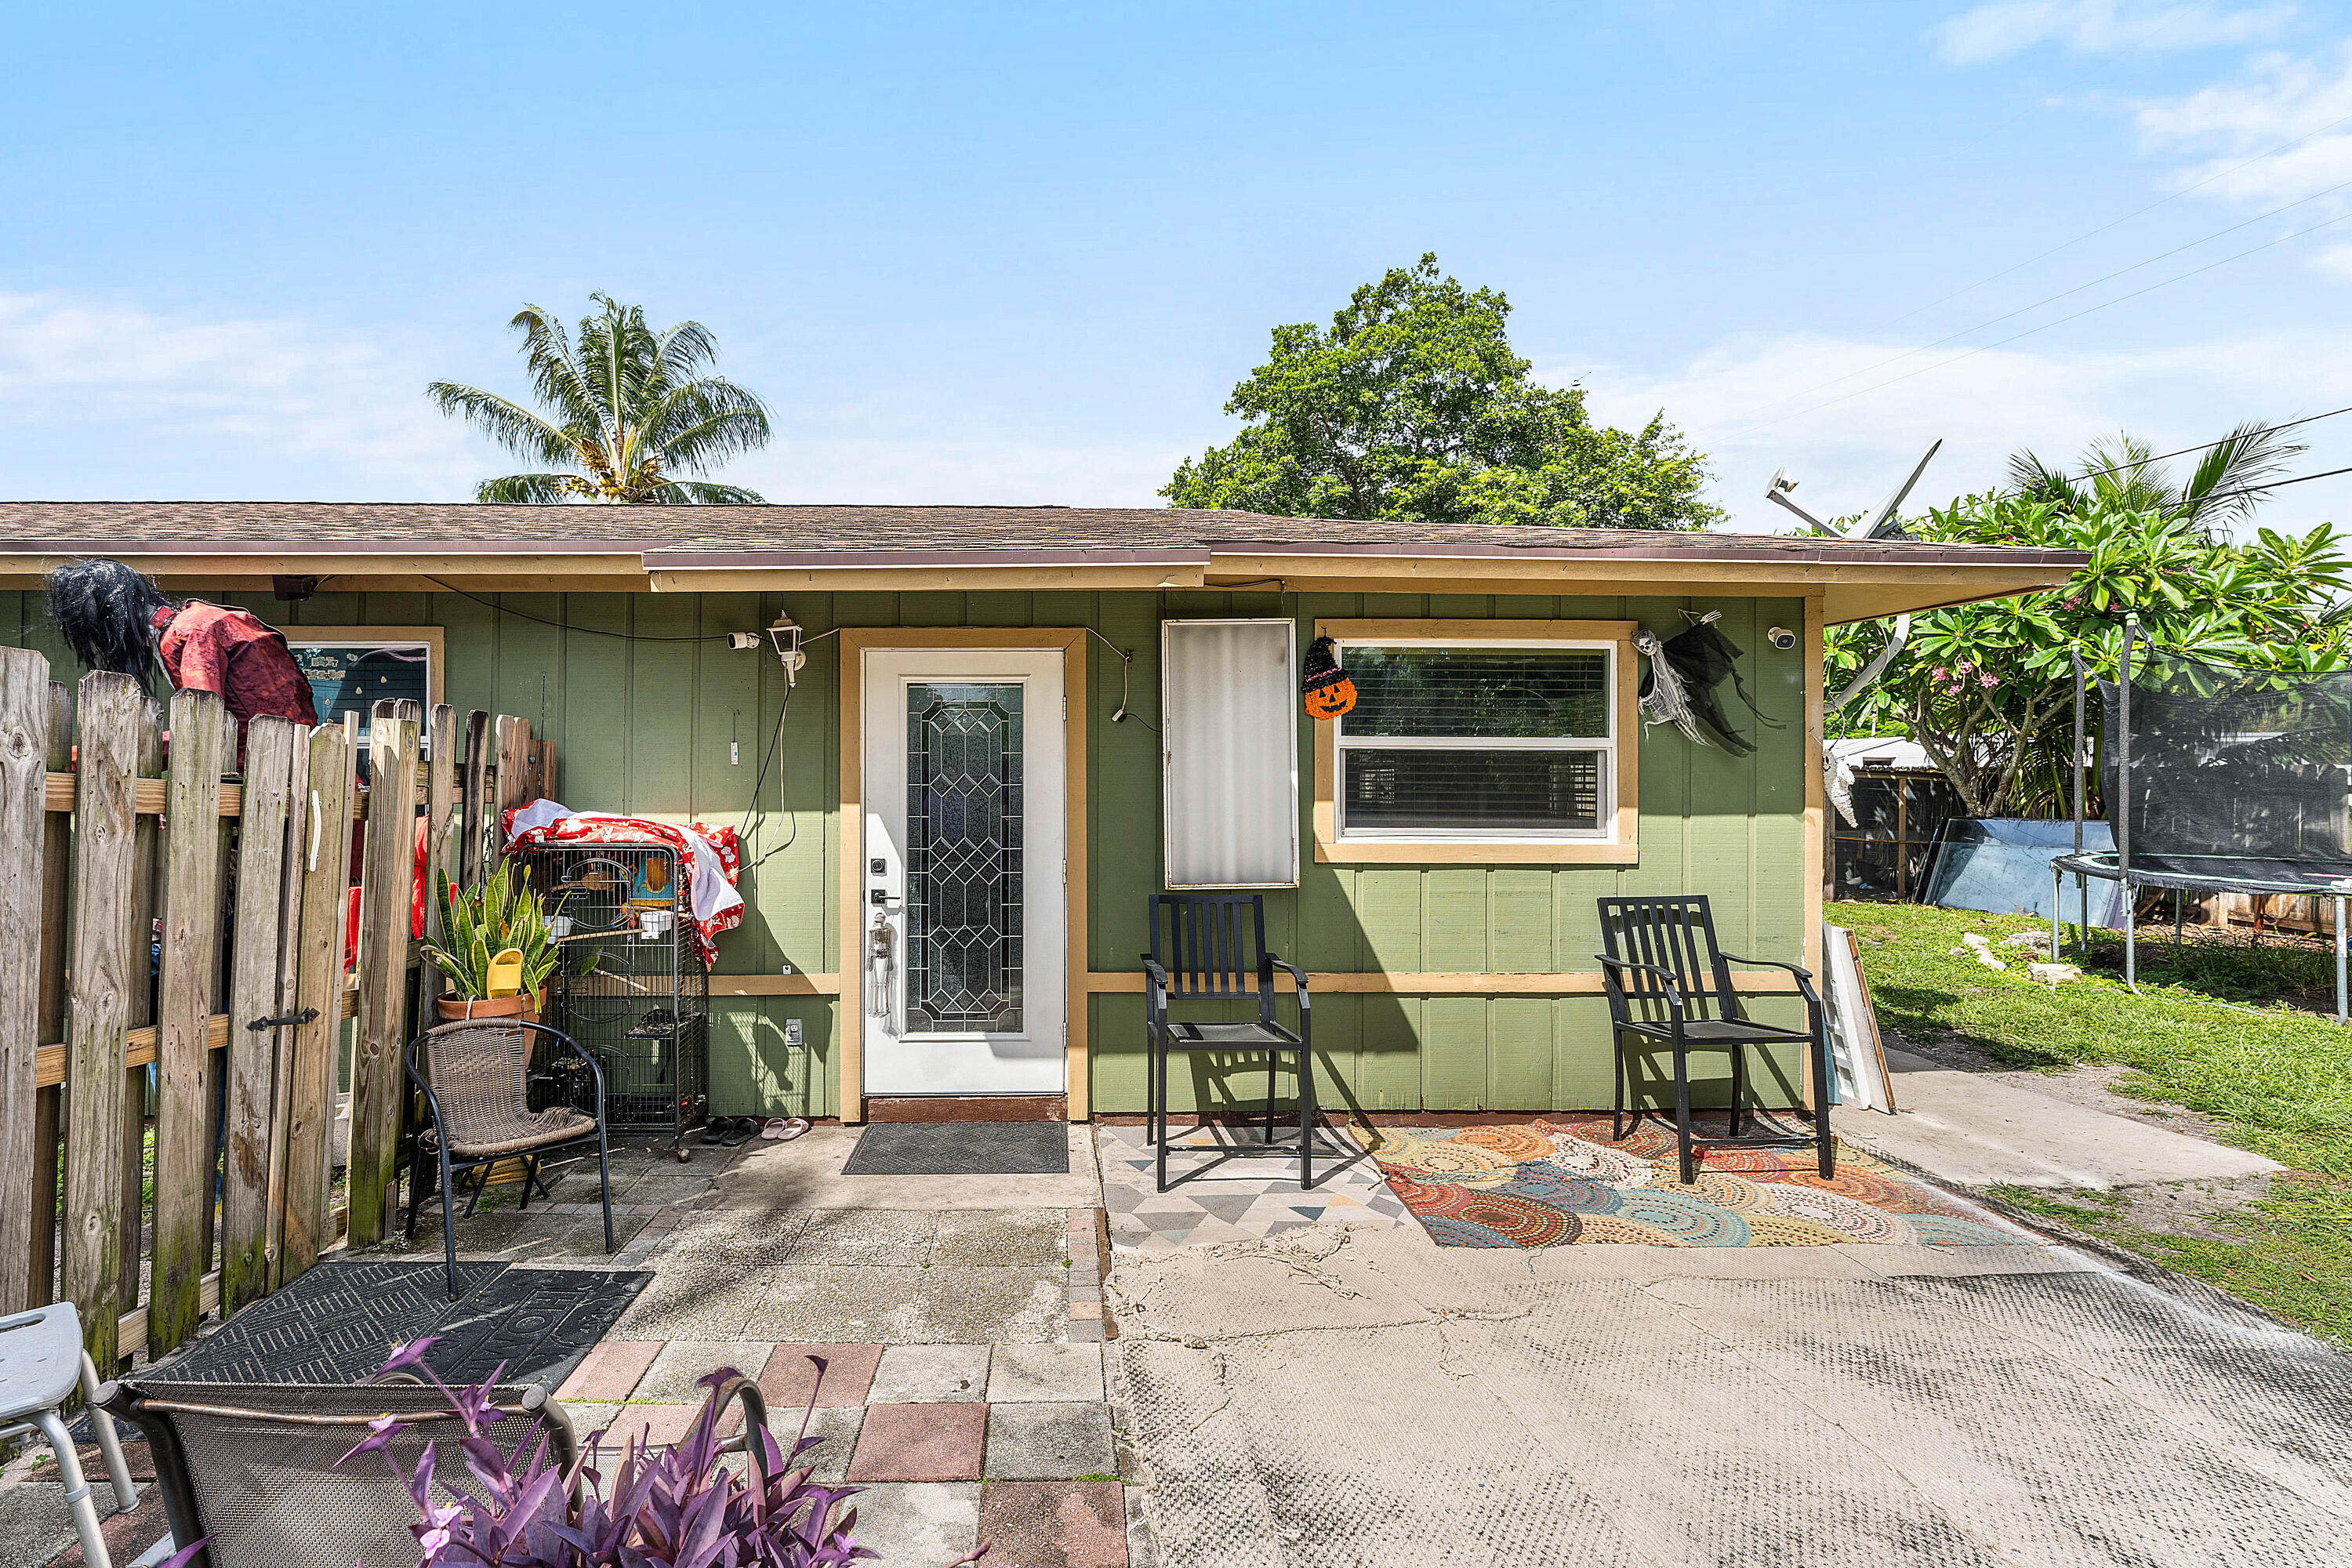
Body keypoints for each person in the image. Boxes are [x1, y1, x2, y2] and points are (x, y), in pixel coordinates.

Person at [44, 558, 318, 731]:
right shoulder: (191, 625)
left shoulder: (190, 632)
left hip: (265, 771)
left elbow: (201, 720)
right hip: (285, 760)